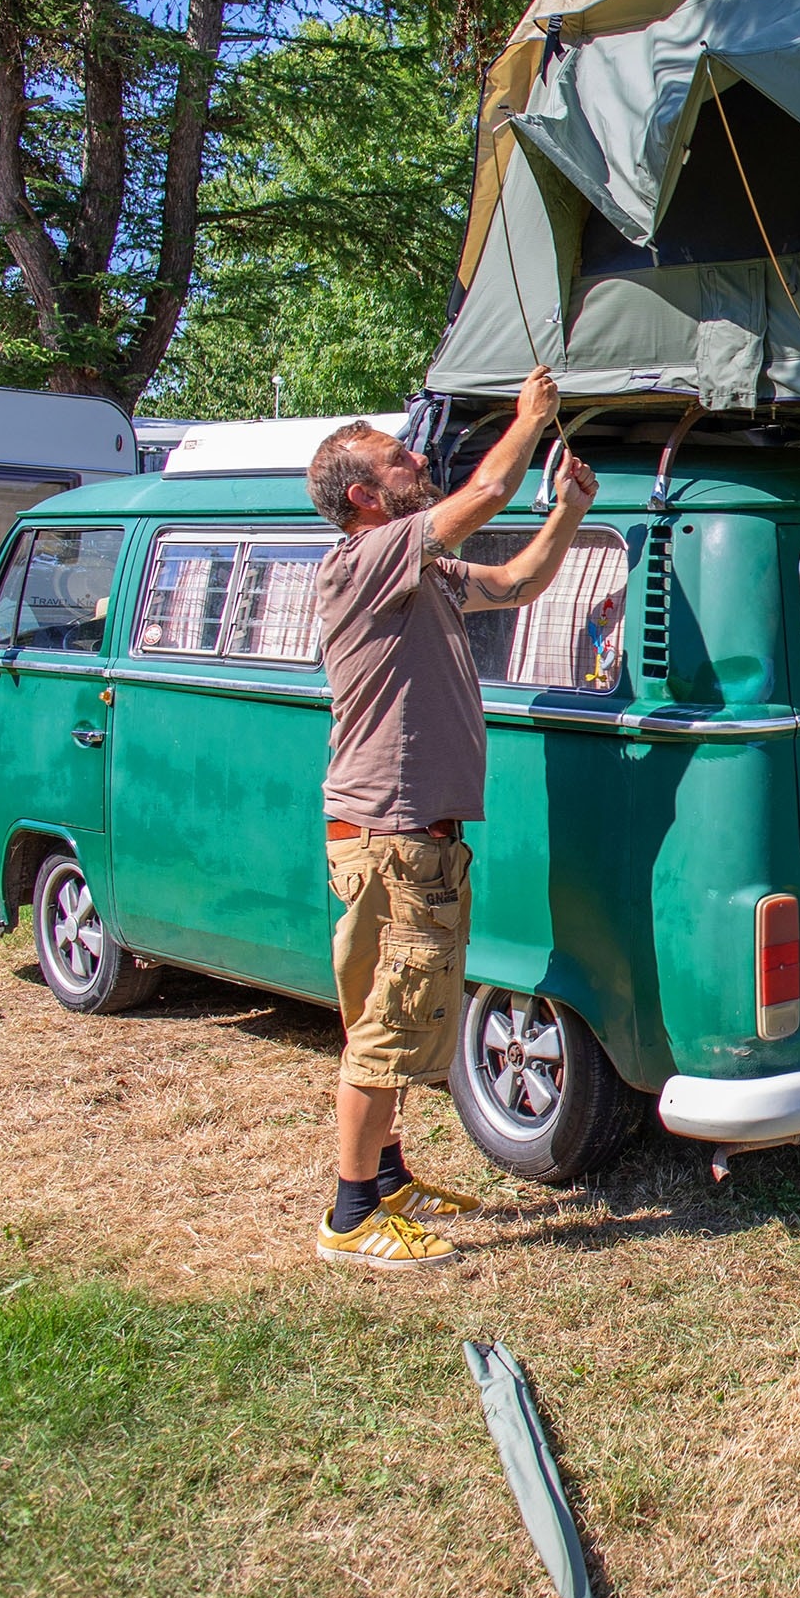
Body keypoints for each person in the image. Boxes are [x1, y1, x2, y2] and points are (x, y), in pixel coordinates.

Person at [302, 368, 598, 1269]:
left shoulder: (417, 570)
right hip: (392, 841)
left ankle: (387, 1177)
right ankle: (353, 1217)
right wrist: (528, 420)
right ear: (364, 496)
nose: (417, 458)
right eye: (398, 459)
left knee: (392, 1017)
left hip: (400, 840)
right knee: (393, 1024)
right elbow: (486, 491)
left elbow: (512, 583)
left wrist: (571, 513)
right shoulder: (364, 560)